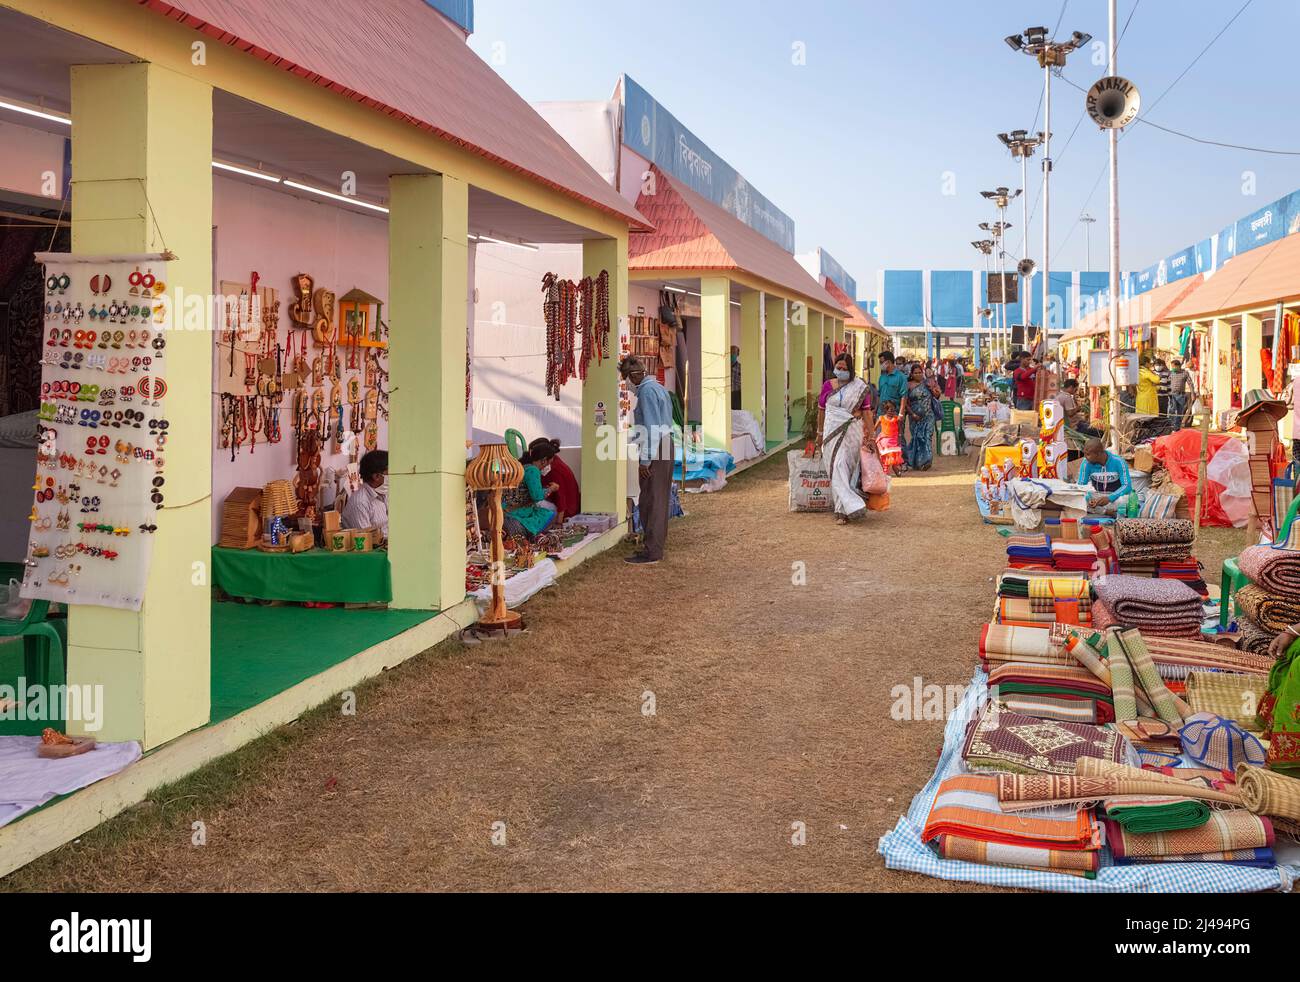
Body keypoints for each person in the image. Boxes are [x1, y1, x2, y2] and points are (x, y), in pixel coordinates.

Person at [620, 355, 674, 565]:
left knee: (651, 500)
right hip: (664, 444)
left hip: (657, 447)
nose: (626, 384)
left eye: (625, 378)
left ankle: (652, 551)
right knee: (657, 499)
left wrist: (645, 461)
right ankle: (655, 546)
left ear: (634, 376)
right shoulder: (657, 388)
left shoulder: (647, 392)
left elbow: (652, 429)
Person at [815, 353, 875, 524]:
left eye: (844, 368)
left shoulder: (859, 387)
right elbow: (821, 410)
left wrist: (871, 436)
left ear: (850, 369)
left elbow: (867, 412)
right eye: (838, 368)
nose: (840, 371)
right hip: (830, 432)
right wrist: (819, 434)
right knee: (835, 467)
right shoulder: (828, 385)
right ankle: (846, 507)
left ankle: (842, 510)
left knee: (846, 468)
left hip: (851, 432)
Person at [501, 445, 559, 540]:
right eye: (549, 463)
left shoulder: (523, 467)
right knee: (550, 514)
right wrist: (551, 489)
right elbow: (537, 496)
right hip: (515, 515)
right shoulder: (532, 470)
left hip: (507, 511)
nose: (549, 466)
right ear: (544, 460)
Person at [529, 437, 580, 524]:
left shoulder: (553, 470)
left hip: (566, 512)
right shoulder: (552, 462)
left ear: (543, 459)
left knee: (532, 503)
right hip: (561, 505)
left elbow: (561, 499)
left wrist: (559, 524)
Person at [341, 449, 388, 541]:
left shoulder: (382, 493)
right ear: (377, 476)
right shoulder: (360, 502)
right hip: (373, 551)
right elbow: (366, 540)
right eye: (389, 472)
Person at [1078, 437, 1133, 514]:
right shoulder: (1086, 463)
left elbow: (1127, 486)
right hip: (1097, 497)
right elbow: (1081, 486)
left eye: (1088, 454)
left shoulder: (1119, 461)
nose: (1085, 457)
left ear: (1098, 454)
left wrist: (1110, 498)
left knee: (1126, 499)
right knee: (1079, 499)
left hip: (1114, 497)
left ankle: (1099, 511)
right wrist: (1089, 498)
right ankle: (1106, 511)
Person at [900, 363, 937, 471]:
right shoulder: (908, 385)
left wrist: (934, 390)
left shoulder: (928, 383)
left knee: (927, 437)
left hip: (928, 415)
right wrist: (912, 414)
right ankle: (918, 461)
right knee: (918, 438)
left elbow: (936, 396)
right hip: (914, 417)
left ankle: (927, 461)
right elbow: (905, 402)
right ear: (911, 374)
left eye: (920, 372)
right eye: (915, 373)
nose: (918, 375)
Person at [876, 400, 904, 475]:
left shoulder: (896, 419)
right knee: (885, 457)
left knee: (894, 458)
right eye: (890, 411)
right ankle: (885, 471)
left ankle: (897, 471)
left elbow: (900, 429)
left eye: (893, 411)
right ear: (885, 410)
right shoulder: (881, 418)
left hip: (894, 441)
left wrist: (899, 437)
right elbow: (874, 428)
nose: (892, 413)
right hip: (884, 441)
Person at [730, 345, 742, 411]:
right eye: (731, 352)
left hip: (737, 395)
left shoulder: (741, 368)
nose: (732, 354)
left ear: (737, 354)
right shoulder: (724, 367)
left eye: (734, 353)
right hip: (726, 395)